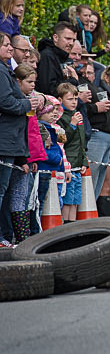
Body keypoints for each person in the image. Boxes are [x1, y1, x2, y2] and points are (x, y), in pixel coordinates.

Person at [0, 37, 40, 247]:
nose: (9, 48)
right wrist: (27, 104)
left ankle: (4, 237)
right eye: (6, 45)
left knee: (6, 192)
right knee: (1, 191)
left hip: (13, 143)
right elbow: (5, 102)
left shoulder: (4, 69)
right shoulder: (1, 72)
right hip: (5, 141)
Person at [4, 65, 45, 242]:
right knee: (12, 197)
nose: (33, 85)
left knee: (23, 198)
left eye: (34, 82)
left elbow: (33, 133)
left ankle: (23, 237)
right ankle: (11, 236)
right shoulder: (22, 105)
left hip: (26, 156)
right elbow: (23, 134)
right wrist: (24, 159)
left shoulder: (29, 103)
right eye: (29, 82)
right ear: (17, 82)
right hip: (19, 155)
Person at [85, 65, 110, 199]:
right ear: (106, 77)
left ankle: (92, 210)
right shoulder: (91, 90)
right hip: (96, 135)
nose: (87, 75)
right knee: (92, 179)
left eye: (90, 73)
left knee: (101, 182)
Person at [56, 83, 88, 222]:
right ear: (60, 99)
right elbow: (63, 140)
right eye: (70, 99)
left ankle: (73, 226)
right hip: (67, 164)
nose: (74, 102)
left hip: (77, 164)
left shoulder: (77, 115)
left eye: (75, 99)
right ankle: (66, 226)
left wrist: (84, 161)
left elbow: (82, 142)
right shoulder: (61, 118)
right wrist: (72, 125)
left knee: (75, 201)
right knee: (67, 199)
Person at [36, 21, 77, 96]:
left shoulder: (62, 56)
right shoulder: (47, 56)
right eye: (68, 38)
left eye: (74, 40)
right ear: (55, 38)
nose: (71, 43)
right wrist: (73, 81)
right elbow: (49, 89)